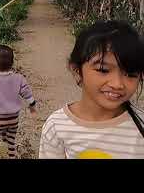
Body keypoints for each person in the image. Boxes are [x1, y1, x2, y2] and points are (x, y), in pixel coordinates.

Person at [39, 20, 144, 159]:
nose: (118, 84)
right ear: (77, 71)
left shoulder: (140, 128)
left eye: (130, 74)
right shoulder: (57, 127)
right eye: (103, 70)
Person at [0, 44, 37, 158]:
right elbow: (27, 93)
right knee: (10, 141)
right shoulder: (18, 78)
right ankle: (11, 156)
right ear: (12, 63)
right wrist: (32, 107)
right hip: (13, 118)